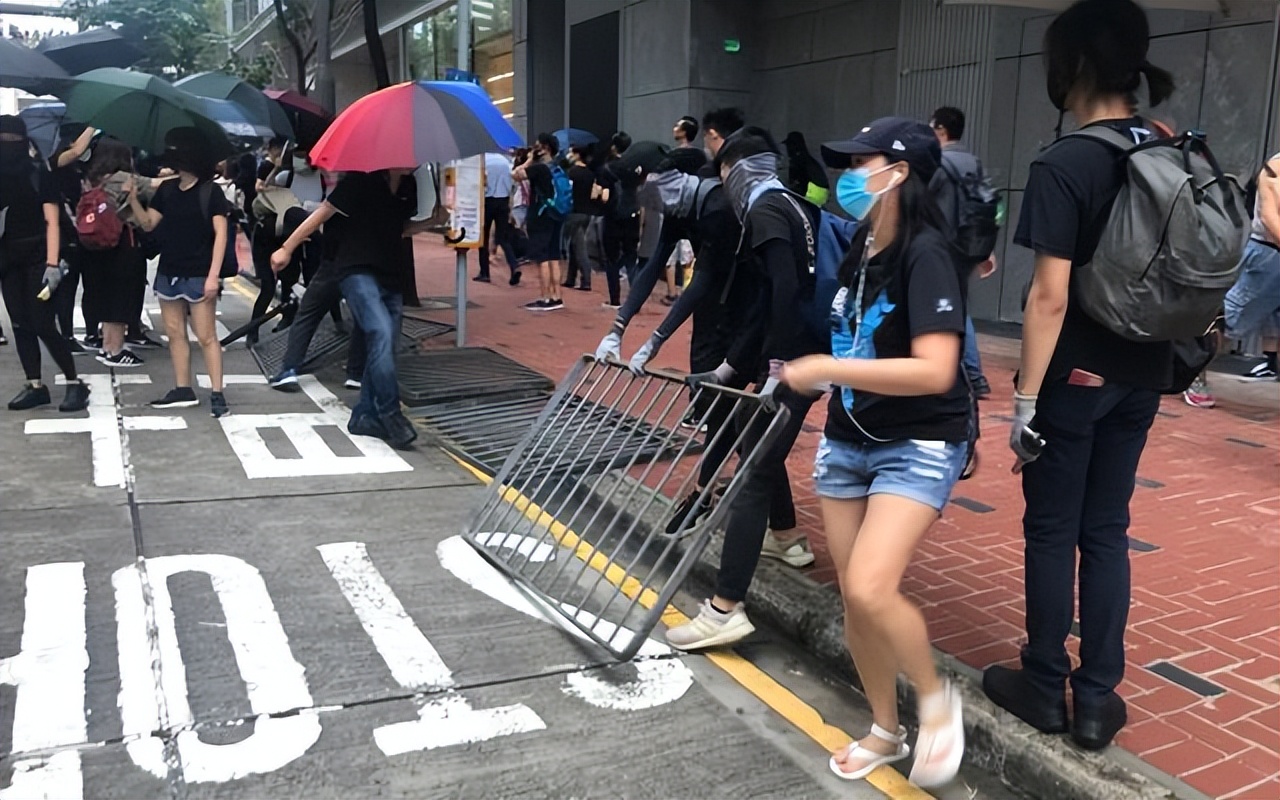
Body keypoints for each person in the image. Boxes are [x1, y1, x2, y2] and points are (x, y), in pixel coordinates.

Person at [981, 0, 1177, 752]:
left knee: (1051, 529)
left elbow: (1049, 295)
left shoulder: (1067, 161)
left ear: (1074, 69)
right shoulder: (1169, 146)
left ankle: (1042, 680)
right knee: (1107, 531)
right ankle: (1097, 698)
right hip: (1143, 371)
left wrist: (1026, 399)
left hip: (1078, 377)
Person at [776, 117, 968, 789]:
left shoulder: (927, 253)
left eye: (863, 163)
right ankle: (886, 730)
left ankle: (937, 703)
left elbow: (935, 369)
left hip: (916, 444)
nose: (850, 176)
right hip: (848, 441)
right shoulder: (860, 243)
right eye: (848, 163)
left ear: (901, 171)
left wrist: (829, 365)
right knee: (856, 601)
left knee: (869, 585)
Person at [663, 127, 827, 651]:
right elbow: (769, 301)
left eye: (725, 172)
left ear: (742, 169)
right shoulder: (796, 206)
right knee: (752, 439)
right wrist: (734, 369)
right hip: (802, 355)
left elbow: (784, 292)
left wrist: (777, 368)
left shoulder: (764, 212)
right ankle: (787, 541)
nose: (724, 183)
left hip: (800, 360)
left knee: (751, 471)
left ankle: (724, 608)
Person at [271, 169, 427, 449]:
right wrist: (287, 247)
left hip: (391, 275)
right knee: (379, 333)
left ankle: (365, 415)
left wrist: (433, 221)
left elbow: (400, 227)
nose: (414, 160)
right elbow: (324, 212)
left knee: (385, 346)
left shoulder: (408, 185)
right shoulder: (360, 179)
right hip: (356, 270)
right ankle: (391, 414)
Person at [127, 127, 232, 417]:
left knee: (206, 335)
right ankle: (183, 388)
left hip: (199, 273)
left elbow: (220, 235)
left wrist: (214, 276)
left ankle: (217, 392)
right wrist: (134, 199)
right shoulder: (167, 190)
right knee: (174, 333)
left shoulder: (212, 191)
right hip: (169, 271)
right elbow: (149, 224)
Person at [0, 115, 89, 412]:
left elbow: (53, 222)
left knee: (42, 323)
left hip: (40, 256)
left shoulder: (40, 173)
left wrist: (53, 265)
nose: (7, 146)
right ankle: (35, 384)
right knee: (19, 323)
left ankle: (75, 383)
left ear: (24, 141)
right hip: (6, 259)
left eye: (11, 140)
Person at [929, 106, 996, 399]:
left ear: (942, 130)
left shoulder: (938, 162)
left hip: (943, 245)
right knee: (960, 305)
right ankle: (973, 375)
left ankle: (964, 374)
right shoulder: (973, 161)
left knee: (946, 308)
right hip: (970, 244)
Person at [83, 137, 154, 368]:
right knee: (121, 298)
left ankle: (107, 346)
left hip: (97, 245)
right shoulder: (124, 178)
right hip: (122, 244)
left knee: (106, 295)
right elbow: (155, 186)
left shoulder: (92, 180)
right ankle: (115, 350)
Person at [1223, 156, 1280, 381]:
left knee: (1275, 318)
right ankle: (1191, 372)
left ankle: (1270, 365)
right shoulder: (1276, 166)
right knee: (1232, 317)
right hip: (1268, 252)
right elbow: (1269, 217)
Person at [513, 133, 566, 311]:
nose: (534, 149)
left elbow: (515, 174)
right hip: (556, 214)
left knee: (541, 257)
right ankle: (557, 296)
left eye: (537, 146)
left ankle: (545, 298)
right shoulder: (558, 168)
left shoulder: (539, 168)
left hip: (540, 215)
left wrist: (528, 160)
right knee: (554, 256)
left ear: (544, 148)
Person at [477, 150, 521, 286]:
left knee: (483, 238)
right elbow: (512, 185)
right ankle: (514, 266)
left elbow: (480, 182)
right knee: (502, 238)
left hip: (487, 200)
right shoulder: (505, 162)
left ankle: (484, 272)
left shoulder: (483, 162)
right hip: (503, 201)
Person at [561, 144, 600, 292]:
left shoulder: (572, 172)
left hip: (575, 212)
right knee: (574, 245)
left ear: (577, 154)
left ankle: (586, 280)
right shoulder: (590, 173)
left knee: (578, 246)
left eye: (571, 152)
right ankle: (571, 278)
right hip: (587, 212)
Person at [781, 131, 830, 207]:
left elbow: (796, 186)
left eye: (788, 145)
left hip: (810, 197)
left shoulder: (797, 161)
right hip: (821, 197)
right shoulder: (809, 160)